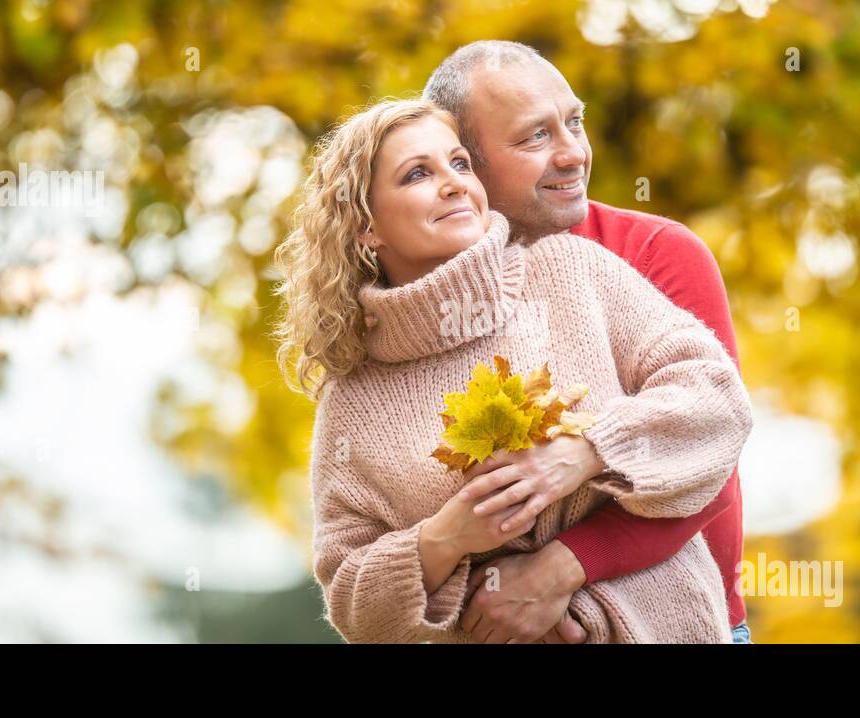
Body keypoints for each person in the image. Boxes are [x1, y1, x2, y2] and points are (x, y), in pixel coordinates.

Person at [275, 98, 753, 642]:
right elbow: (352, 599)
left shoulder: (571, 271)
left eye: (460, 164)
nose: (454, 184)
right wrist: (443, 539)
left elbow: (716, 399)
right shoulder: (353, 398)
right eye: (417, 175)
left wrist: (587, 452)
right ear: (366, 227)